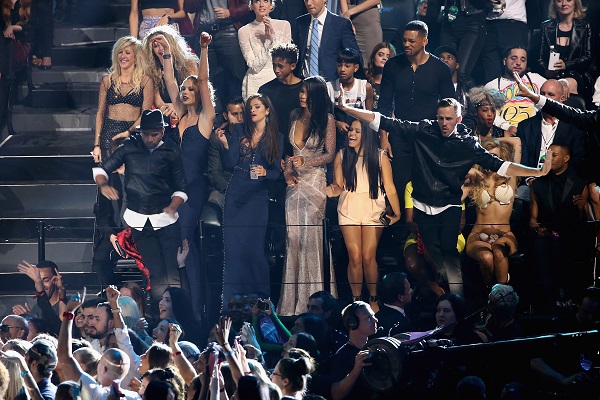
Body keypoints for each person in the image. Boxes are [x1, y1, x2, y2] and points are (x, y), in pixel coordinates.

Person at [337, 93, 552, 296]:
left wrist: (538, 171)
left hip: (449, 203)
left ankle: (458, 298)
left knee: (449, 251)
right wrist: (347, 108)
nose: (444, 123)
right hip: (423, 204)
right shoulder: (424, 129)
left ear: (458, 119)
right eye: (440, 118)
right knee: (435, 257)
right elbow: (383, 121)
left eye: (448, 119)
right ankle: (447, 293)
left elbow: (501, 166)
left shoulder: (467, 144)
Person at [93, 108, 188, 311]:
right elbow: (101, 169)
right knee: (155, 273)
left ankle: (179, 317)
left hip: (166, 220)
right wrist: (103, 185)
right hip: (138, 221)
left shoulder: (171, 151)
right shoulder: (129, 148)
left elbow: (182, 187)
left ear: (162, 131)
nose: (150, 139)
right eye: (146, 134)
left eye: (154, 134)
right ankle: (160, 315)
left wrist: (172, 206)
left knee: (172, 273)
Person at [153, 31, 216, 322]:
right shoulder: (178, 118)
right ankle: (176, 306)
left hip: (192, 192)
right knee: (173, 249)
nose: (187, 91)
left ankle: (195, 310)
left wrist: (203, 50)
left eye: (191, 88)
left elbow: (203, 81)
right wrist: (166, 52)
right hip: (172, 191)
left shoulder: (205, 120)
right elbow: (169, 82)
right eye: (185, 88)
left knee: (186, 245)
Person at [378, 20, 455, 216]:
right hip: (399, 133)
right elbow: (385, 105)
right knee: (399, 181)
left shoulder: (440, 69)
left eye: (411, 41)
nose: (406, 44)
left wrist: (445, 137)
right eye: (404, 40)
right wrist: (384, 137)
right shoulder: (393, 66)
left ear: (424, 41)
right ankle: (400, 233)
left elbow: (451, 106)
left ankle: (421, 234)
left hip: (428, 135)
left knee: (425, 183)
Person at [325, 119, 400, 310]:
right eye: (351, 130)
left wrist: (397, 213)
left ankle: (373, 298)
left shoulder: (380, 156)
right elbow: (338, 186)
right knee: (355, 256)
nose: (352, 134)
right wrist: (331, 191)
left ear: (366, 135)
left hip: (373, 207)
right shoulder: (342, 155)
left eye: (357, 131)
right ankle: (356, 300)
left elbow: (390, 187)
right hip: (349, 208)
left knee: (368, 256)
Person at [216, 94, 283, 304]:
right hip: (236, 193)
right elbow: (229, 163)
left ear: (267, 110)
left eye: (257, 106)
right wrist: (226, 145)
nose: (252, 110)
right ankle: (233, 303)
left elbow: (276, 173)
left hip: (257, 196)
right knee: (233, 252)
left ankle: (261, 303)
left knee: (254, 251)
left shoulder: (277, 137)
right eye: (250, 107)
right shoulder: (239, 131)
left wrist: (265, 172)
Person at [277, 76, 336, 316]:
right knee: (293, 237)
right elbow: (290, 155)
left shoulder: (327, 120)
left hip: (315, 182)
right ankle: (293, 304)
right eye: (301, 91)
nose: (301, 96)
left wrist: (307, 160)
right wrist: (288, 174)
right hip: (295, 185)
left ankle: (316, 303)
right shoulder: (293, 116)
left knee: (311, 239)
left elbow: (330, 154)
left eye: (306, 93)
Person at [529, 143, 591, 306]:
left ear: (566, 158)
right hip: (547, 236)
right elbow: (532, 220)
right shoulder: (537, 185)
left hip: (571, 235)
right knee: (541, 246)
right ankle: (549, 300)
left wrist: (581, 208)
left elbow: (583, 220)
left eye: (554, 155)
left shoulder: (579, 184)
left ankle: (572, 298)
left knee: (570, 246)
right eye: (548, 155)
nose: (549, 158)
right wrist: (537, 229)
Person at [58, 293, 140, 399]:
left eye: (96, 318)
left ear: (103, 369)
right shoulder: (135, 397)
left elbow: (64, 355)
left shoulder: (94, 392)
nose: (91, 322)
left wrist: (68, 313)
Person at [515, 79, 586, 202]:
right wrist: (530, 180)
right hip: (533, 182)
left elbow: (578, 160)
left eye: (551, 95)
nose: (545, 98)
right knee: (518, 196)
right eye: (542, 94)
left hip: (561, 182)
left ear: (562, 98)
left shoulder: (573, 127)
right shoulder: (525, 126)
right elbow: (523, 160)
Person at [465, 139, 521, 285]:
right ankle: (489, 295)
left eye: (494, 157)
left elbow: (516, 142)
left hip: (504, 234)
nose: (490, 161)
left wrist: (492, 141)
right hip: (477, 235)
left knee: (497, 250)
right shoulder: (476, 180)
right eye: (487, 156)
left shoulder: (510, 177)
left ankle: (502, 294)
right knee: (486, 257)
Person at [92, 36, 153, 163]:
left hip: (134, 133)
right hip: (110, 134)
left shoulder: (145, 81)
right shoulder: (107, 81)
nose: (123, 55)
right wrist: (96, 145)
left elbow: (146, 113)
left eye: (127, 52)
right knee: (112, 177)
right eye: (120, 52)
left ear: (136, 57)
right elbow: (100, 113)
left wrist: (129, 131)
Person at [292, 0, 361, 81]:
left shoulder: (340, 24)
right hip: (304, 84)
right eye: (306, 0)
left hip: (332, 85)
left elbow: (355, 56)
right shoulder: (300, 23)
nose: (309, 3)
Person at [538, 0, 593, 98]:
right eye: (559, 1)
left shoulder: (585, 26)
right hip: (551, 75)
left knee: (566, 86)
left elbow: (588, 57)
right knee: (549, 88)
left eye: (568, 0)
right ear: (554, 4)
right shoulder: (546, 26)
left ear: (575, 3)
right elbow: (539, 58)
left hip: (576, 74)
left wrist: (566, 65)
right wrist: (547, 71)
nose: (564, 4)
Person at [238, 0, 291, 99]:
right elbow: (254, 66)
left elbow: (285, 59)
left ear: (271, 5)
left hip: (279, 80)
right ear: (251, 6)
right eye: (257, 1)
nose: (261, 5)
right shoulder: (244, 31)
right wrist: (268, 41)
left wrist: (272, 37)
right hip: (255, 83)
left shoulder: (284, 25)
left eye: (265, 1)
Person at [142, 25, 199, 116]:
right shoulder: (151, 70)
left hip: (190, 109)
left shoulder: (189, 64)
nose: (161, 49)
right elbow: (158, 100)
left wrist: (178, 108)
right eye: (156, 46)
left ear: (172, 45)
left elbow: (195, 94)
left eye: (164, 44)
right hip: (167, 112)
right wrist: (165, 108)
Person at [484, 46, 546, 127]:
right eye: (514, 58)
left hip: (533, 131)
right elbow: (489, 113)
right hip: (506, 132)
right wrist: (507, 127)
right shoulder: (491, 86)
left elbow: (556, 88)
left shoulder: (537, 79)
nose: (518, 63)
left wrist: (564, 83)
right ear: (505, 61)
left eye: (523, 60)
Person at [329, 301, 378, 400]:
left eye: (373, 316)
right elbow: (336, 395)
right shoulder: (342, 356)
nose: (375, 320)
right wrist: (356, 370)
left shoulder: (375, 348)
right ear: (353, 323)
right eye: (368, 318)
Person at [259, 43, 303, 147]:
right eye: (274, 65)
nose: (276, 70)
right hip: (274, 144)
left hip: (300, 145)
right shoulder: (266, 90)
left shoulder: (305, 88)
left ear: (293, 66)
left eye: (280, 66)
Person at [208, 97, 245, 208]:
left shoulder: (253, 134)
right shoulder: (217, 138)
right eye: (234, 114)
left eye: (242, 113)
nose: (239, 118)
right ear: (225, 116)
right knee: (215, 199)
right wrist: (229, 188)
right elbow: (214, 172)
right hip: (226, 184)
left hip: (248, 184)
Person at [438, 0, 487, 83]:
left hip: (472, 23)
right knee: (446, 70)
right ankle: (449, 95)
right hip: (448, 23)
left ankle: (472, 95)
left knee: (462, 73)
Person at [13, 259, 64, 336]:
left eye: (45, 280)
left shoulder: (67, 304)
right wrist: (28, 319)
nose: (41, 285)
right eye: (37, 281)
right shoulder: (37, 308)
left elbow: (59, 330)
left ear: (56, 280)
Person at [482, 0, 528, 82]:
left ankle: (515, 93)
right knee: (491, 69)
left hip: (514, 23)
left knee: (514, 68)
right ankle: (493, 93)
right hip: (490, 24)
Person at [339, 0, 381, 68]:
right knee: (348, 62)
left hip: (368, 20)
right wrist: (346, 19)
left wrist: (350, 12)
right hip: (348, 17)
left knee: (370, 65)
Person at [374, 272, 414, 337]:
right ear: (401, 297)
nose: (411, 291)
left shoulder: (375, 318)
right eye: (409, 289)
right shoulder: (402, 323)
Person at [434, 45, 473, 112]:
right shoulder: (432, 87)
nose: (445, 60)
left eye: (449, 58)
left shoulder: (467, 88)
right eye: (441, 58)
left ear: (457, 65)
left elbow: (471, 114)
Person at [366, 42, 395, 111]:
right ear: (373, 58)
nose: (384, 58)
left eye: (388, 56)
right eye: (381, 55)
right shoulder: (364, 81)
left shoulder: (394, 83)